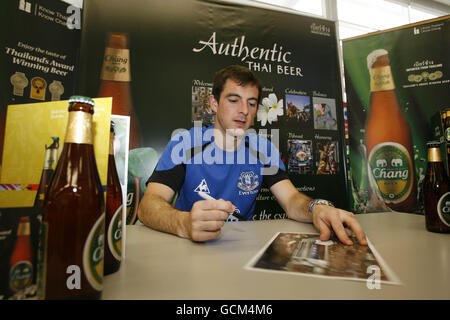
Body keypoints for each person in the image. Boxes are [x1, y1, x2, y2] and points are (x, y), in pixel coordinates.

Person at [138, 65, 367, 246]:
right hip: (187, 247)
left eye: (251, 103)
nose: (244, 111)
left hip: (240, 249)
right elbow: (148, 205)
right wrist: (183, 223)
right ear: (214, 103)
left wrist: (316, 207)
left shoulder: (264, 148)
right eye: (233, 100)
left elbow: (291, 200)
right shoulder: (185, 143)